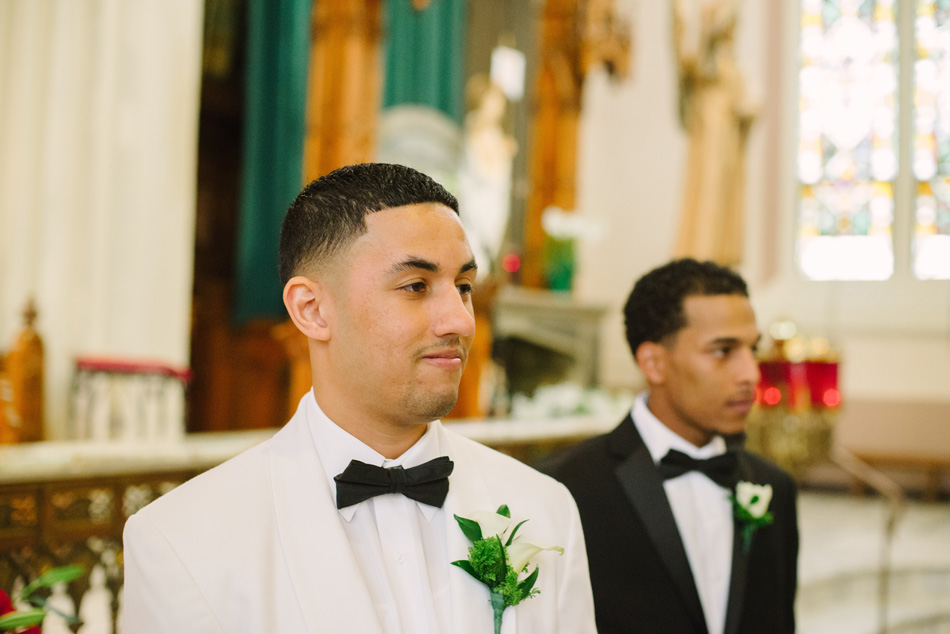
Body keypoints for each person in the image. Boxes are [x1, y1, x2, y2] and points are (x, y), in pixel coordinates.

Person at [122, 163, 596, 634]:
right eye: (416, 286)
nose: (461, 321)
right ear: (312, 309)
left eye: (464, 287)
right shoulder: (182, 543)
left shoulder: (546, 509)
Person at [540, 258, 798, 634]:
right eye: (723, 350)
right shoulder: (566, 488)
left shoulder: (774, 486)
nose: (750, 374)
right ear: (654, 363)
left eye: (752, 349)